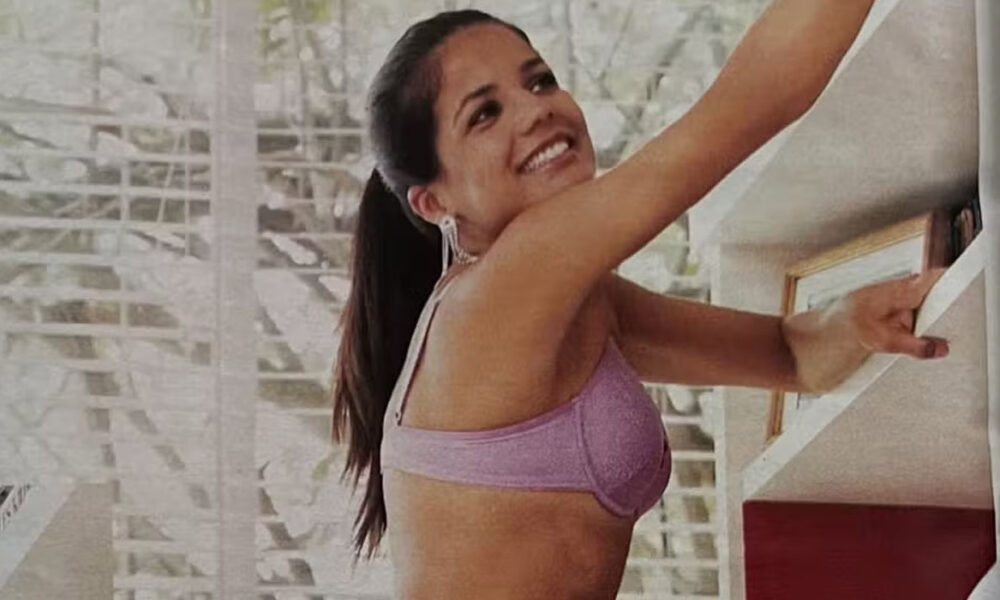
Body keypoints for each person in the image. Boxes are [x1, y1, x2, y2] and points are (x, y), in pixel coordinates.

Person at [331, 3, 950, 598]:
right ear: (435, 202)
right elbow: (753, 101)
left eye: (540, 82)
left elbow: (789, 357)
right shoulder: (495, 298)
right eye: (485, 114)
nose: (536, 110)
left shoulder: (571, 302)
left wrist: (852, 323)